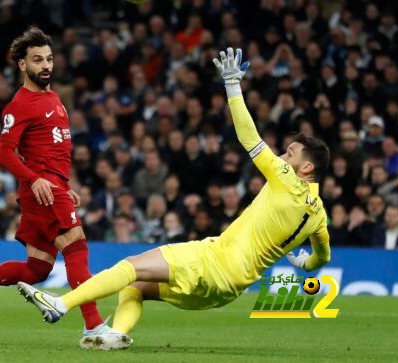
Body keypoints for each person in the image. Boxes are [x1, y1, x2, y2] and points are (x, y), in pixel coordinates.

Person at [17, 48, 332, 350]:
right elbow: (322, 258)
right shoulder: (319, 217)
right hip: (229, 290)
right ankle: (114, 335)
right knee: (135, 287)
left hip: (214, 261)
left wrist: (233, 85)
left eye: (289, 153)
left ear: (307, 167)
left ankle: (60, 303)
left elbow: (249, 137)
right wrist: (305, 262)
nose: (281, 154)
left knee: (129, 266)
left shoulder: (286, 179)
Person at [0, 27, 110, 348]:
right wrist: (37, 180)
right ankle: (93, 326)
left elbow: (52, 149)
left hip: (51, 187)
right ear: (22, 65)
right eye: (37, 60)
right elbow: (3, 152)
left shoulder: (52, 97)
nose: (46, 65)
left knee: (36, 270)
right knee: (76, 246)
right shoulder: (19, 104)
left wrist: (65, 184)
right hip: (41, 190)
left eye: (49, 59)